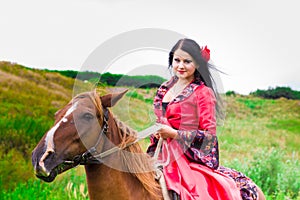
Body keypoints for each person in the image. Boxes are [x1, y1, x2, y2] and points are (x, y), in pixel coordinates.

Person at [147, 38, 258, 200]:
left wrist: (174, 133)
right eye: (177, 60)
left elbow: (209, 137)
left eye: (187, 61)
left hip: (188, 156)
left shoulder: (202, 93)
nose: (180, 66)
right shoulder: (164, 88)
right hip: (160, 152)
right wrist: (157, 132)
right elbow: (160, 120)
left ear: (197, 64)